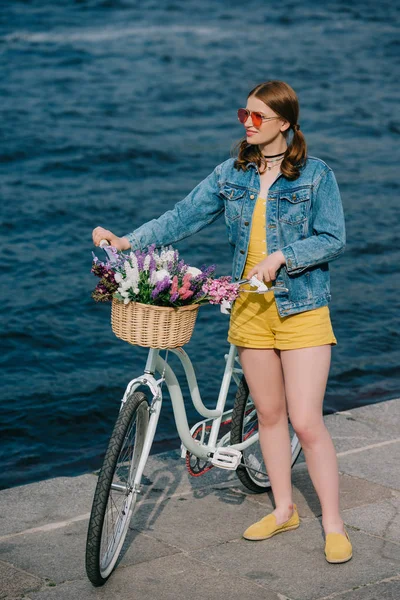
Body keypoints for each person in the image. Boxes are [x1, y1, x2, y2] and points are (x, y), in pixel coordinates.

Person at [92, 80, 352, 564]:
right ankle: (283, 509)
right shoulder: (231, 174)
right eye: (244, 115)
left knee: (307, 422)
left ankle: (334, 525)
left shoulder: (317, 176)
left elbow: (332, 238)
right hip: (250, 310)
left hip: (301, 311)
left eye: (258, 116)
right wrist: (127, 242)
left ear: (286, 124)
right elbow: (182, 217)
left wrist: (282, 256)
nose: (248, 124)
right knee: (270, 417)